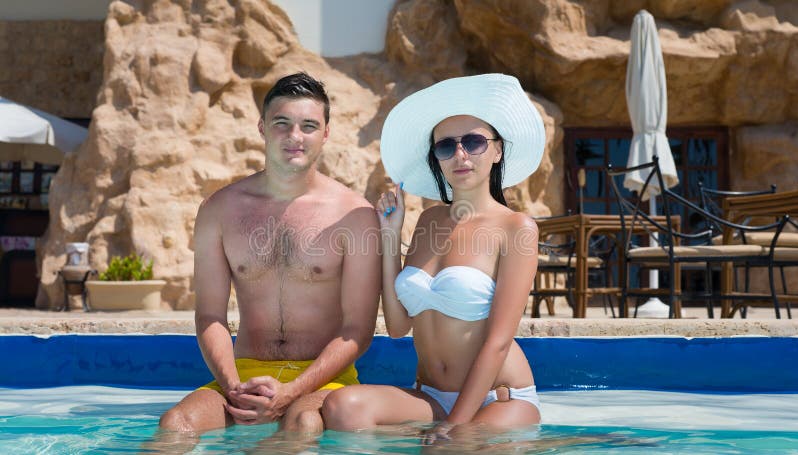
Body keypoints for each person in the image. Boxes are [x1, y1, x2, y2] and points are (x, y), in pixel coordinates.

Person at [321, 73, 545, 442]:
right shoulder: (428, 221)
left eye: (473, 142)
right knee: (342, 409)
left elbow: (498, 342)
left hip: (497, 398)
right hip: (431, 395)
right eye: (445, 146)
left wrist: (453, 426)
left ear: (497, 150)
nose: (460, 155)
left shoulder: (516, 228)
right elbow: (397, 327)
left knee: (448, 446)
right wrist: (390, 236)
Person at [159, 72, 381, 434]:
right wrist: (232, 385)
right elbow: (210, 316)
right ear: (262, 127)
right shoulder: (220, 210)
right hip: (244, 375)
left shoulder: (354, 215)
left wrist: (292, 391)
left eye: (309, 126)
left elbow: (358, 329)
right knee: (175, 424)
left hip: (325, 381)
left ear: (325, 133)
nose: (295, 137)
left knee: (303, 423)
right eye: (282, 123)